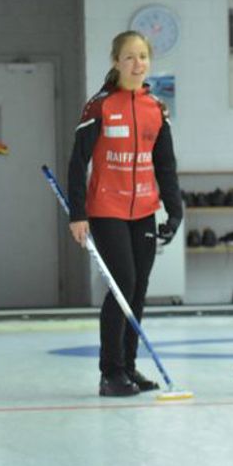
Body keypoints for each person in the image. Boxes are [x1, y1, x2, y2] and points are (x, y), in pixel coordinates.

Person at [66, 31, 182, 397]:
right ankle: (110, 372)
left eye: (143, 57)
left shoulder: (156, 108)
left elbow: (165, 165)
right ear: (116, 61)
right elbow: (76, 162)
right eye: (130, 57)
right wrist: (77, 213)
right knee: (122, 286)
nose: (137, 64)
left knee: (139, 288)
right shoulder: (99, 106)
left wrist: (174, 211)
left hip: (144, 209)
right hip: (107, 209)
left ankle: (129, 368)